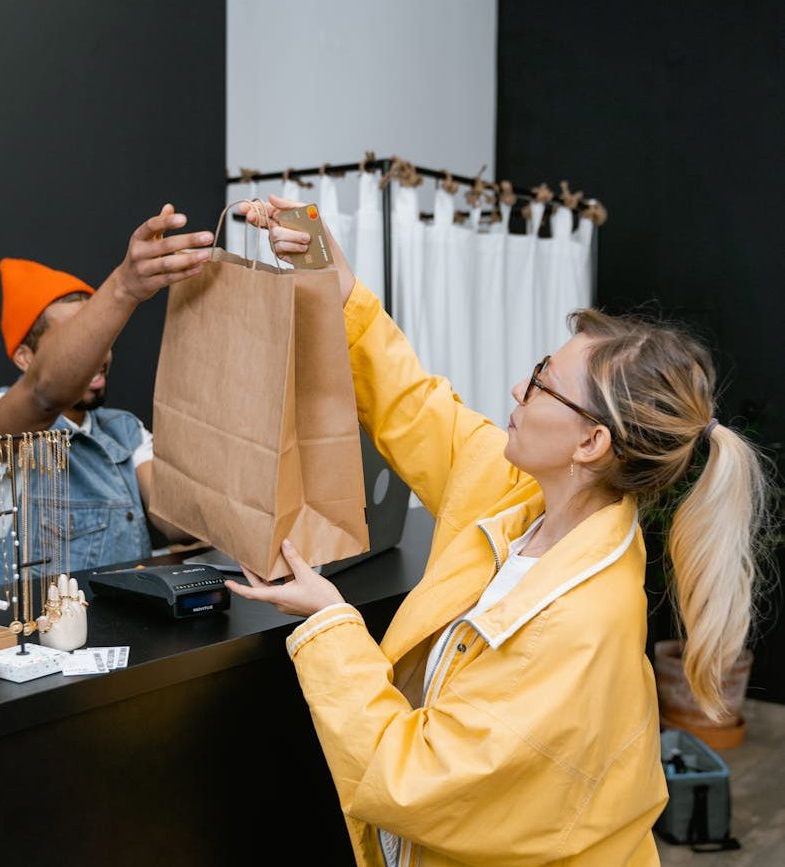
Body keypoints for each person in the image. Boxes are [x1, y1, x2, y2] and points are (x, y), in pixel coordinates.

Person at [225, 195, 776, 866]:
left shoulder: (575, 624)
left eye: (543, 382)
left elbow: (415, 779)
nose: (518, 386)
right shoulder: (518, 497)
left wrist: (332, 623)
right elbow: (415, 405)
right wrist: (330, 274)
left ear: (589, 441)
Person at [0, 204, 214, 590]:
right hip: (30, 647)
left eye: (100, 337)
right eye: (77, 339)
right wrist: (123, 287)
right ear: (25, 357)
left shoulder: (125, 430)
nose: (98, 353)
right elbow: (44, 396)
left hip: (127, 645)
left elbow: (176, 523)